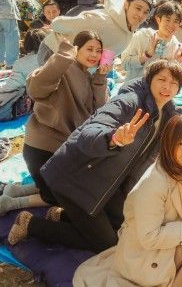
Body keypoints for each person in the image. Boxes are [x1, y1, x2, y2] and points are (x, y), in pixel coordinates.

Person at [8, 60, 182, 252]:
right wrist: (113, 138)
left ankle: (60, 216)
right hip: (75, 176)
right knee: (107, 244)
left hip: (106, 181)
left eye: (174, 82)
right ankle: (31, 224)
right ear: (149, 79)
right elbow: (89, 132)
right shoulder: (128, 102)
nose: (167, 86)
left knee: (122, 227)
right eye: (162, 79)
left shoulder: (167, 116)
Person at [73, 114, 182, 287]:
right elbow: (149, 237)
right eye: (181, 143)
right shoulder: (154, 183)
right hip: (151, 254)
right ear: (168, 144)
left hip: (174, 241)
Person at [0, 32, 109, 215]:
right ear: (76, 49)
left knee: (67, 188)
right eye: (89, 49)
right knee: (60, 197)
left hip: (63, 147)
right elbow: (36, 88)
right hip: (43, 148)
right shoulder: (62, 69)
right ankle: (8, 204)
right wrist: (63, 55)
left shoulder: (86, 75)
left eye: (98, 51)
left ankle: (15, 191)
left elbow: (99, 110)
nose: (94, 55)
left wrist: (100, 77)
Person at [38, 0, 152, 65]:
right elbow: (61, 24)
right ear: (126, 5)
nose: (141, 15)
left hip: (76, 66)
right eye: (138, 8)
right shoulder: (102, 19)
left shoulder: (129, 29)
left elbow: (107, 55)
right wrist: (54, 24)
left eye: (145, 12)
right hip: (53, 51)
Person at [121, 1, 182, 81]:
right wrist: (146, 55)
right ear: (158, 19)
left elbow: (174, 80)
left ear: (179, 24)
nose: (171, 25)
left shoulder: (178, 47)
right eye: (167, 20)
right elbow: (124, 63)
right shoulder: (142, 35)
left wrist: (177, 62)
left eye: (175, 21)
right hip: (135, 89)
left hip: (160, 92)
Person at [0, 29, 46, 121]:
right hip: (51, 97)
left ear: (26, 44)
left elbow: (13, 85)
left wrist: (2, 88)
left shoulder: (20, 63)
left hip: (34, 100)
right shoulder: (53, 58)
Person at [0, 0, 19, 69]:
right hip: (4, 9)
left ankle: (1, 62)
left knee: (1, 36)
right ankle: (12, 64)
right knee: (11, 34)